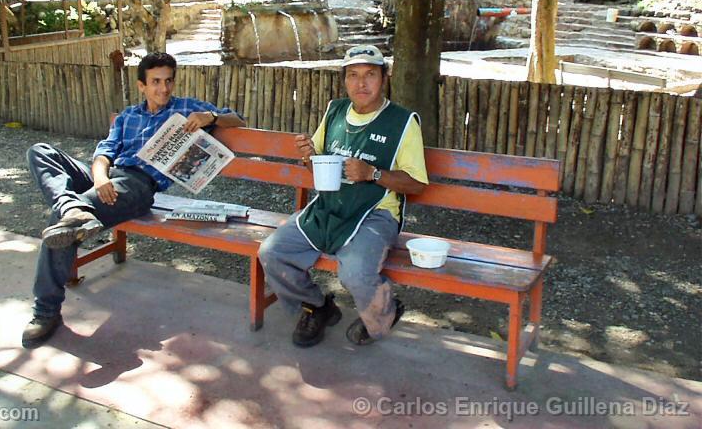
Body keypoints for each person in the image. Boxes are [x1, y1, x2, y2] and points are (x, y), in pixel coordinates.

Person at [22, 52, 245, 348]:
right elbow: (104, 154)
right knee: (41, 151)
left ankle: (46, 311)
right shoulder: (128, 116)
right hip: (109, 178)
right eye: (155, 82)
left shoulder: (187, 107)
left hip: (138, 185)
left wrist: (211, 117)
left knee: (60, 225)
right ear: (142, 85)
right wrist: (99, 179)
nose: (163, 89)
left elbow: (238, 119)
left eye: (168, 81)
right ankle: (72, 207)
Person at [258, 45, 428, 348]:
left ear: (385, 78)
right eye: (353, 75)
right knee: (271, 252)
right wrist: (308, 156)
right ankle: (318, 307)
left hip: (376, 214)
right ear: (345, 80)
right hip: (329, 206)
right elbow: (319, 166)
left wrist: (373, 173)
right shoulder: (335, 111)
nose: (361, 84)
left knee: (355, 272)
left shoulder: (402, 122)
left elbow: (416, 184)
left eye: (370, 75)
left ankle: (385, 311)